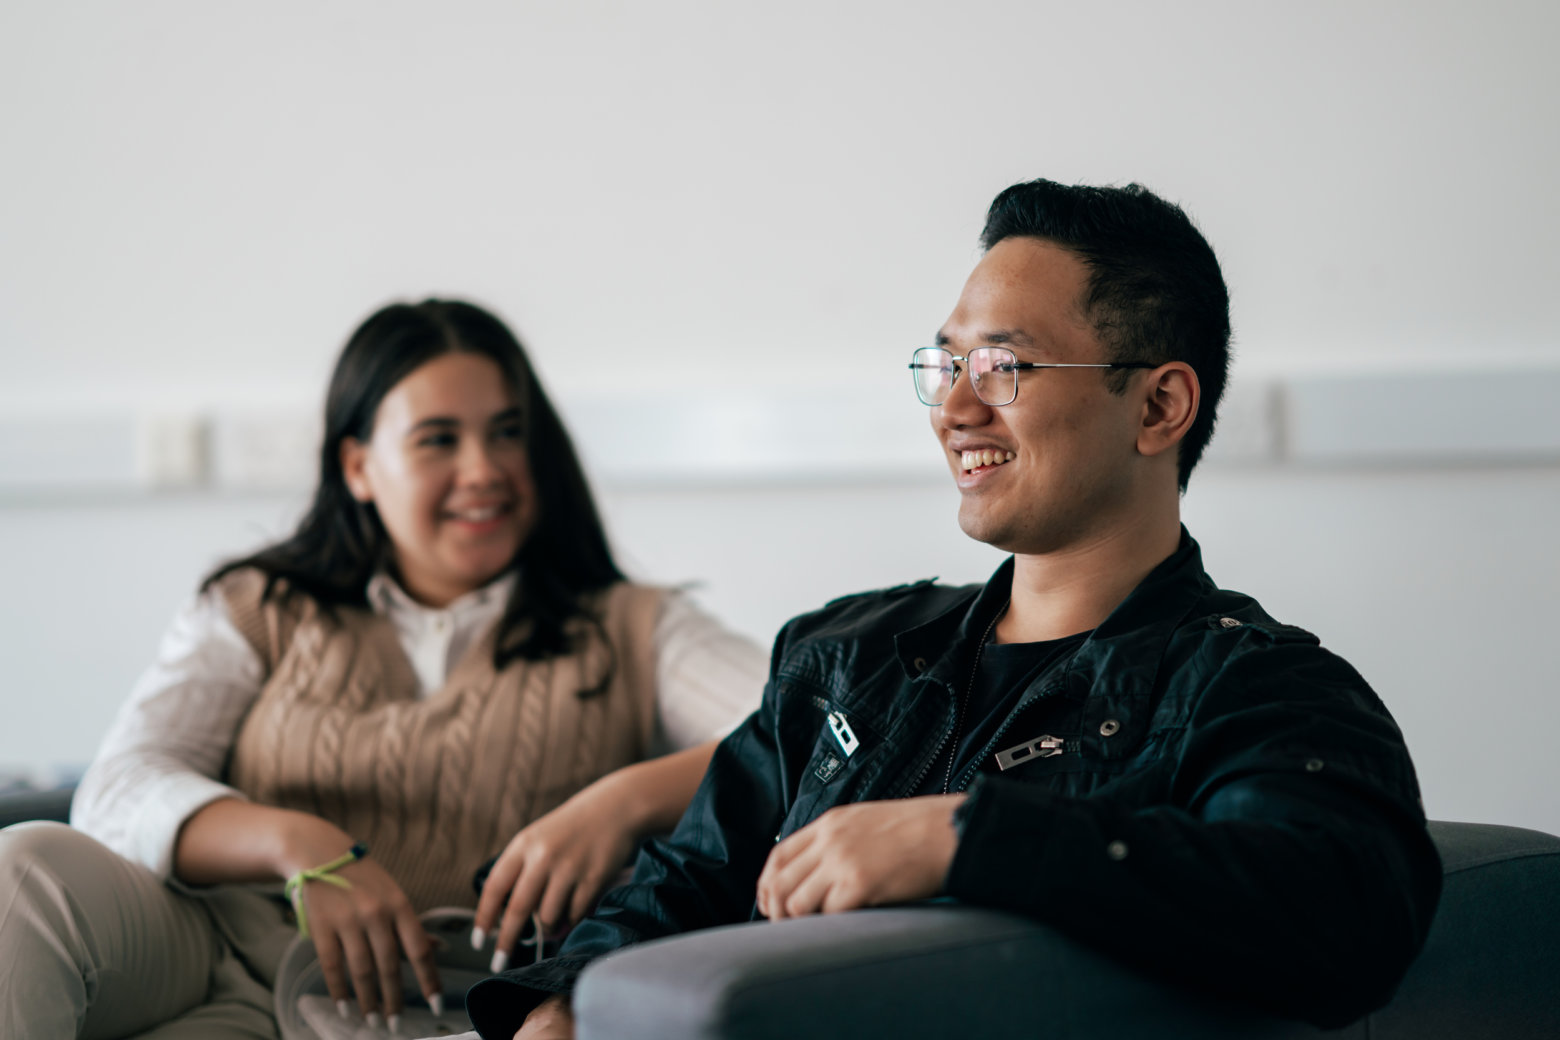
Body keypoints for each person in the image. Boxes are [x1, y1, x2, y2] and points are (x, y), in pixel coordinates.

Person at [463, 180, 1444, 1040]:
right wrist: (564, 1003)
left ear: (1157, 407)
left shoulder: (1255, 687)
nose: (954, 409)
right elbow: (680, 882)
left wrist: (969, 837)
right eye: (945, 366)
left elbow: (1342, 912)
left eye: (1004, 368)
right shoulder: (849, 656)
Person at [0, 299, 767, 1039]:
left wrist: (624, 801)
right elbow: (115, 790)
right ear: (359, 466)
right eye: (439, 439)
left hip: (469, 1000)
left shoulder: (632, 625)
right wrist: (302, 847)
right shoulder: (260, 607)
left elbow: (813, 727)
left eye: (507, 433)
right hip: (219, 953)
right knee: (23, 869)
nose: (484, 470)